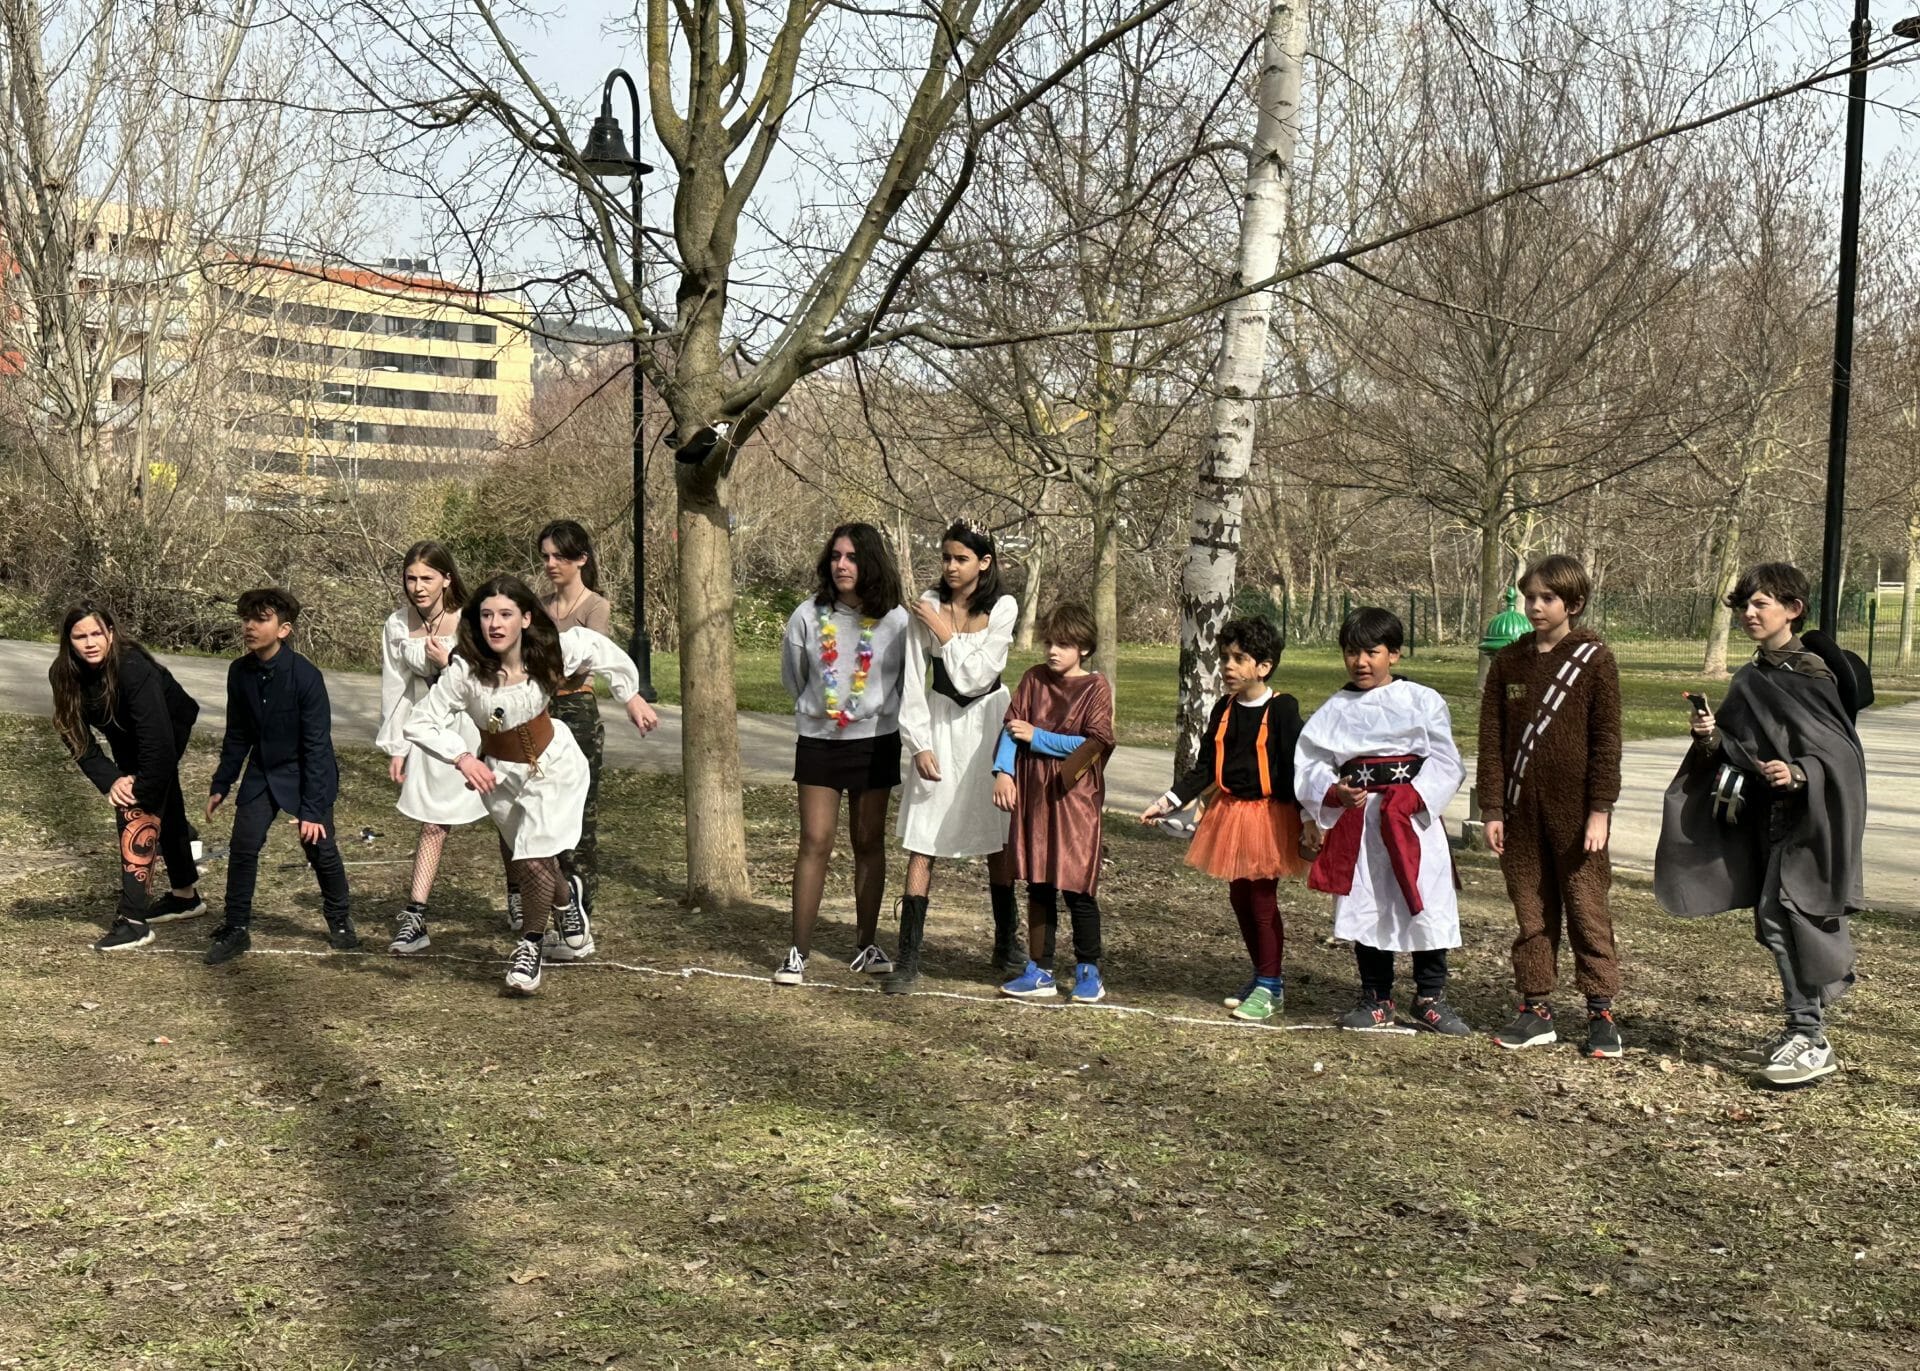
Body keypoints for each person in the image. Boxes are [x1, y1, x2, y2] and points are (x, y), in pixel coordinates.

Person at [1654, 562, 1870, 1088]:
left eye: (1761, 604)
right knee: (1775, 921)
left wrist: (1799, 772)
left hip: (1810, 822)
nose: (1749, 614)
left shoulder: (1813, 675)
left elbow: (1841, 756)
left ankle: (1810, 1038)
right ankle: (1803, 1030)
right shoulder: (1751, 678)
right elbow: (1737, 750)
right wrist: (1708, 735)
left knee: (1786, 918)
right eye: (1745, 605)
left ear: (1792, 610)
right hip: (1769, 821)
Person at [404, 575, 657, 995]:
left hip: (553, 767)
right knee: (529, 857)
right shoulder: (465, 671)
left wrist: (629, 694)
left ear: (525, 618)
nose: (495, 624)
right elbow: (421, 722)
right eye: (487, 615)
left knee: (535, 858)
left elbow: (596, 647)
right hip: (499, 777)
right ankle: (567, 900)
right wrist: (462, 757)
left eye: (505, 614)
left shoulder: (549, 652)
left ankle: (530, 947)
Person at [1295, 607, 1469, 1034]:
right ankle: (1376, 997)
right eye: (1351, 652)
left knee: (1426, 897)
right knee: (1368, 903)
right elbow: (1310, 764)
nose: (1360, 662)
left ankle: (1430, 998)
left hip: (1412, 819)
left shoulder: (1422, 701)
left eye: (1371, 652)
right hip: (1363, 824)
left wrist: (1415, 795)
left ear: (1394, 654)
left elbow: (1447, 760)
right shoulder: (1335, 710)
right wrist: (1334, 792)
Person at [1478, 555, 1625, 1057]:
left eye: (1548, 598)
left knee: (1586, 908)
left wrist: (1600, 809)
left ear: (1574, 604)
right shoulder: (1508, 662)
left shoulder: (1595, 659)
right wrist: (1492, 809)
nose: (1536, 607)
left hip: (1578, 815)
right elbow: (1491, 741)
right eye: (1530, 597)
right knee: (1532, 911)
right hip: (1520, 812)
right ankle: (1536, 1008)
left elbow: (1607, 741)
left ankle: (1600, 1012)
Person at [1141, 616, 1307, 1022]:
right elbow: (1204, 768)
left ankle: (1271, 985)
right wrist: (1167, 801)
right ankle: (1262, 974)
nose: (1228, 666)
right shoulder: (1224, 708)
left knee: (1262, 901)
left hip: (1269, 817)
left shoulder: (1283, 708)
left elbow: (1297, 768)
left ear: (1263, 666)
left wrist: (1309, 819)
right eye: (1224, 657)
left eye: (1239, 658)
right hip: (1230, 815)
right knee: (1239, 898)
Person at [773, 523, 912, 988]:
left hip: (876, 741)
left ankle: (867, 943)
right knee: (815, 839)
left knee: (868, 841)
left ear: (870, 562)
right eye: (835, 556)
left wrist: (876, 712)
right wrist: (820, 710)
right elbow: (794, 677)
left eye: (851, 557)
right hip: (819, 740)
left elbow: (904, 682)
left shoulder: (896, 621)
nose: (842, 565)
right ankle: (798, 950)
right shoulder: (807, 616)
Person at [888, 518, 1020, 994]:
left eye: (961, 558)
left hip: (988, 726)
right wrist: (919, 743)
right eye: (946, 557)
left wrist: (946, 634)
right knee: (923, 837)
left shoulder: (1003, 607)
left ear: (984, 563)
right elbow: (912, 681)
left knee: (998, 836)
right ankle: (908, 956)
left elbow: (978, 676)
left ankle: (1006, 943)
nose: (950, 566)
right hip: (940, 724)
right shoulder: (927, 604)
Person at [205, 588, 355, 965]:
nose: (250, 627)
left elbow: (317, 746)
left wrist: (313, 810)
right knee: (243, 846)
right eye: (246, 619)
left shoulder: (306, 677)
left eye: (260, 619)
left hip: (307, 773)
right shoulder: (239, 672)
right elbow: (237, 734)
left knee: (320, 849)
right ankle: (236, 927)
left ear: (284, 629)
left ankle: (340, 921)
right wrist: (222, 783)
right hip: (263, 772)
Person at [49, 603, 206, 952]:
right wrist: (110, 779)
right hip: (123, 732)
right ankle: (185, 896)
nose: (90, 642)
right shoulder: (63, 673)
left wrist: (139, 787)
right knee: (161, 800)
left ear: (110, 633)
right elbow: (74, 734)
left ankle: (134, 921)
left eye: (96, 633)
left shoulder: (133, 668)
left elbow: (157, 743)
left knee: (139, 804)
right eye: (80, 636)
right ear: (68, 641)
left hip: (169, 724)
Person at [993, 603, 1116, 1004]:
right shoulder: (1033, 679)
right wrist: (1004, 771)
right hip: (1035, 795)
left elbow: (1095, 742)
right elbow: (1012, 727)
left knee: (1077, 884)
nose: (1052, 651)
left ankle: (1088, 970)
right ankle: (1040, 969)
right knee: (1039, 880)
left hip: (1074, 797)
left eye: (1063, 644)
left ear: (1083, 647)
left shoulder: (1095, 688)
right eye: (1049, 642)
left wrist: (1039, 736)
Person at [378, 542, 488, 955]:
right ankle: (415, 916)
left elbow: (490, 678)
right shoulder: (397, 625)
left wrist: (448, 664)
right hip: (429, 729)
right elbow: (396, 688)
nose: (418, 587)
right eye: (411, 578)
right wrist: (397, 746)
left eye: (427, 578)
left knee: (507, 818)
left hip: (475, 725)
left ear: (447, 579)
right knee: (432, 823)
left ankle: (520, 898)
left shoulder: (472, 619)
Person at [536, 520, 614, 931]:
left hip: (576, 711)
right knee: (543, 811)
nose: (551, 564)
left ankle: (581, 910)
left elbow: (583, 664)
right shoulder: (540, 607)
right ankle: (552, 906)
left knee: (580, 813)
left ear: (581, 559)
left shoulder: (594, 606)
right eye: (546, 556)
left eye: (560, 556)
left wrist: (544, 666)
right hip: (538, 710)